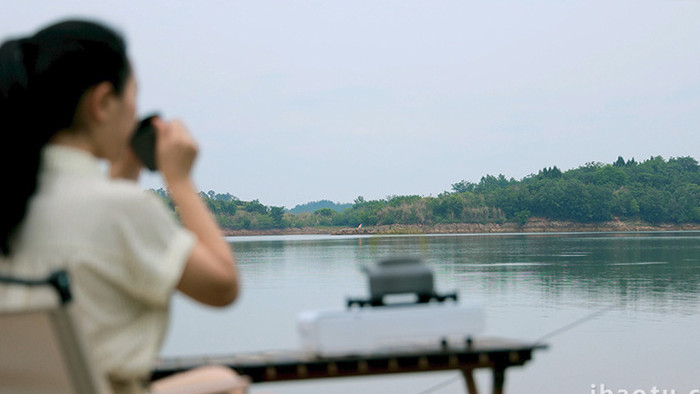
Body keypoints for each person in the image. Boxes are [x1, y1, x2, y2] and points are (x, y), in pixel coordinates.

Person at [0, 19, 245, 393]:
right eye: (133, 95)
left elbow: (90, 224)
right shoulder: (124, 209)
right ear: (102, 103)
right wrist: (178, 179)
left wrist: (122, 173)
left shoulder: (12, 202)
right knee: (226, 383)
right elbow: (223, 286)